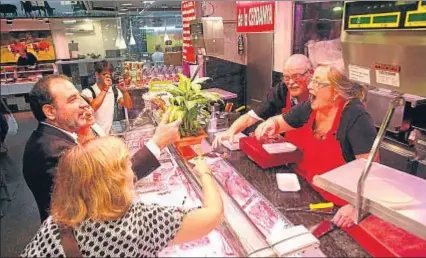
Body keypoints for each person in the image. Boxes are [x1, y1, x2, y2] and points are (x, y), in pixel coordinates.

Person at [21, 137, 224, 257]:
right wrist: (205, 172)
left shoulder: (56, 223)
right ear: (114, 181)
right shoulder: (139, 223)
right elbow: (213, 216)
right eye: (126, 164)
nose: (131, 171)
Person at [23, 74, 181, 222]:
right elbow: (108, 187)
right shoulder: (55, 151)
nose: (84, 104)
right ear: (50, 111)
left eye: (79, 96)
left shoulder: (52, 137)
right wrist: (157, 142)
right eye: (72, 100)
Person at [255, 64, 378, 228]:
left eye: (318, 83)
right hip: (309, 192)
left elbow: (372, 173)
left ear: (336, 91)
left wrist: (356, 207)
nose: (310, 85)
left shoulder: (356, 117)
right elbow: (281, 122)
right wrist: (270, 125)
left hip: (339, 209)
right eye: (312, 80)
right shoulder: (310, 106)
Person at [213, 54, 313, 148]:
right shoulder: (282, 90)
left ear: (311, 73)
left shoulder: (320, 96)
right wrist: (230, 132)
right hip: (292, 155)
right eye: (286, 77)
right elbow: (252, 116)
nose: (291, 82)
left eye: (297, 77)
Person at [81, 61, 133, 134]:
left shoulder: (114, 91)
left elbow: (128, 106)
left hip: (106, 134)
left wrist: (124, 91)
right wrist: (105, 89)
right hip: (92, 136)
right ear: (97, 74)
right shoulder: (88, 92)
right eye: (104, 74)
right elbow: (92, 108)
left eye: (110, 75)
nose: (108, 77)